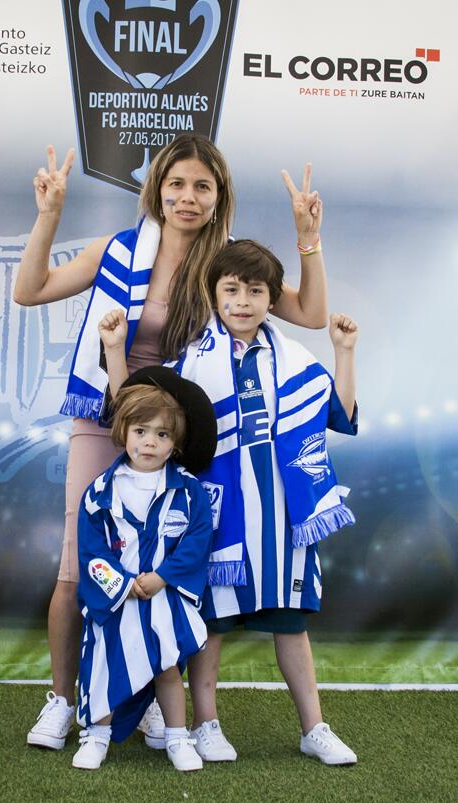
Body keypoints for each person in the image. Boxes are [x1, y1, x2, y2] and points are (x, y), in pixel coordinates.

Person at [16, 135, 330, 750]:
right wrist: (49, 215)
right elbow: (30, 290)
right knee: (79, 567)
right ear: (157, 188)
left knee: (173, 571)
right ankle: (62, 700)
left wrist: (308, 239)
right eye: (177, 184)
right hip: (106, 416)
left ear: (219, 198)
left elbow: (312, 315)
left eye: (202, 187)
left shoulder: (224, 268)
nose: (187, 197)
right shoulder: (117, 250)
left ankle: (163, 700)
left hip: (183, 428)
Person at [152, 239, 360, 765]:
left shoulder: (294, 358)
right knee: (213, 627)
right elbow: (163, 432)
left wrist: (344, 352)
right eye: (231, 290)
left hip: (286, 514)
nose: (242, 301)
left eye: (255, 290)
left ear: (271, 298)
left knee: (291, 623)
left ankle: (314, 728)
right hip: (221, 517)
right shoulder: (192, 363)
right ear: (214, 294)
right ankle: (206, 724)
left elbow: (342, 415)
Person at [73, 366, 216, 771]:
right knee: (102, 665)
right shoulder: (100, 492)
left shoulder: (189, 492)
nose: (149, 442)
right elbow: (92, 551)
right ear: (123, 432)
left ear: (175, 443)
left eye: (162, 434)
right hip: (116, 601)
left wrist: (162, 577)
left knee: (167, 666)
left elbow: (196, 541)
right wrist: (120, 585)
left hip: (164, 597)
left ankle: (177, 738)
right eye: (141, 431)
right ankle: (96, 737)